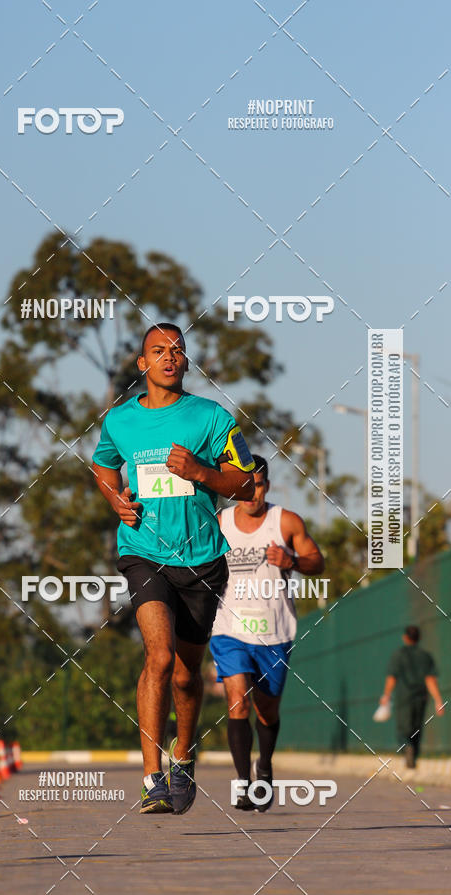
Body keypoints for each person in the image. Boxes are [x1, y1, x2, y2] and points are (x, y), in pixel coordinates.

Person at [91, 322, 255, 814]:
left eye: (177, 350)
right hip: (143, 551)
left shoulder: (212, 418)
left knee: (186, 675)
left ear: (186, 363)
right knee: (158, 658)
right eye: (158, 350)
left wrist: (201, 473)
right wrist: (115, 499)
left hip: (202, 559)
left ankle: (182, 753)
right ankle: (151, 778)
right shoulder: (119, 421)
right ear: (142, 364)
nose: (169, 356)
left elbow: (246, 484)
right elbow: (103, 466)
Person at [210, 454, 324, 811]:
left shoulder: (285, 522)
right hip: (228, 628)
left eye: (256, 485)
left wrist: (292, 561)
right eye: (242, 486)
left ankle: (265, 765)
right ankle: (244, 783)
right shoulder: (219, 523)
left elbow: (318, 562)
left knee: (267, 711)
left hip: (274, 631)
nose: (249, 493)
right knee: (238, 700)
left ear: (267, 486)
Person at [379, 625, 444, 768]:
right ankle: (414, 755)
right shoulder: (426, 656)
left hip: (404, 697)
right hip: (421, 698)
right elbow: (430, 679)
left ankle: (407, 747)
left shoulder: (398, 655)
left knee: (403, 729)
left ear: (405, 638)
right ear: (419, 638)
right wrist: (438, 701)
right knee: (417, 727)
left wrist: (386, 695)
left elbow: (392, 678)